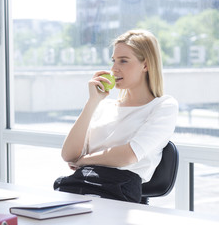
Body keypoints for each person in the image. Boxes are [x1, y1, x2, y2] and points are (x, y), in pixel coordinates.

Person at [53, 29, 178, 203]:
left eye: (123, 61)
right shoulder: (104, 105)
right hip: (82, 187)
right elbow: (68, 154)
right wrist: (92, 102)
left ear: (146, 65)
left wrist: (83, 161)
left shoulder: (163, 106)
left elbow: (128, 155)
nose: (114, 69)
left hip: (119, 193)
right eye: (113, 61)